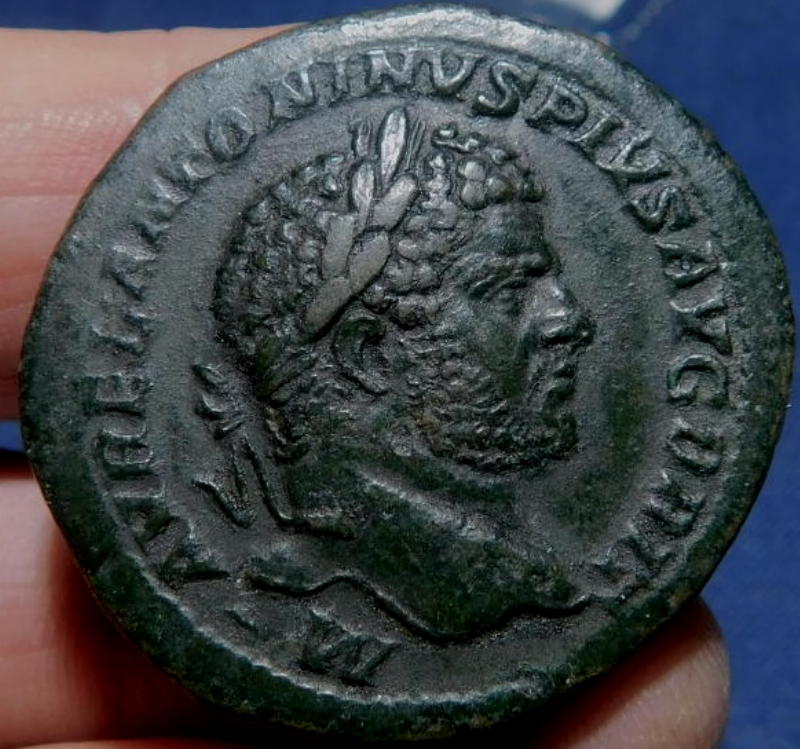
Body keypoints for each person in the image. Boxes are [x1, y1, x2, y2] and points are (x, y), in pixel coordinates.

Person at [0, 25, 729, 749]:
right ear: (368, 355)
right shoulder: (441, 590)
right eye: (510, 291)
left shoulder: (506, 574)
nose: (571, 321)